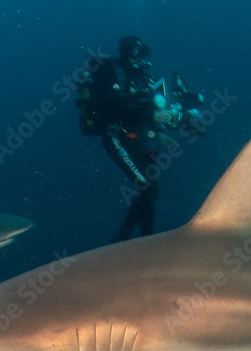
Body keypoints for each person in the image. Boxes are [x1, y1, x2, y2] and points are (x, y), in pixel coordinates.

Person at [77, 35, 205, 241]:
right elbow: (111, 106)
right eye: (135, 51)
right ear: (125, 51)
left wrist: (160, 131)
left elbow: (144, 108)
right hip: (117, 138)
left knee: (151, 190)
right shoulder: (112, 72)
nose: (140, 56)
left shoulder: (141, 77)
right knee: (147, 188)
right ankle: (137, 240)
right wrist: (150, 115)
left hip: (138, 140)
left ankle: (131, 240)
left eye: (143, 51)